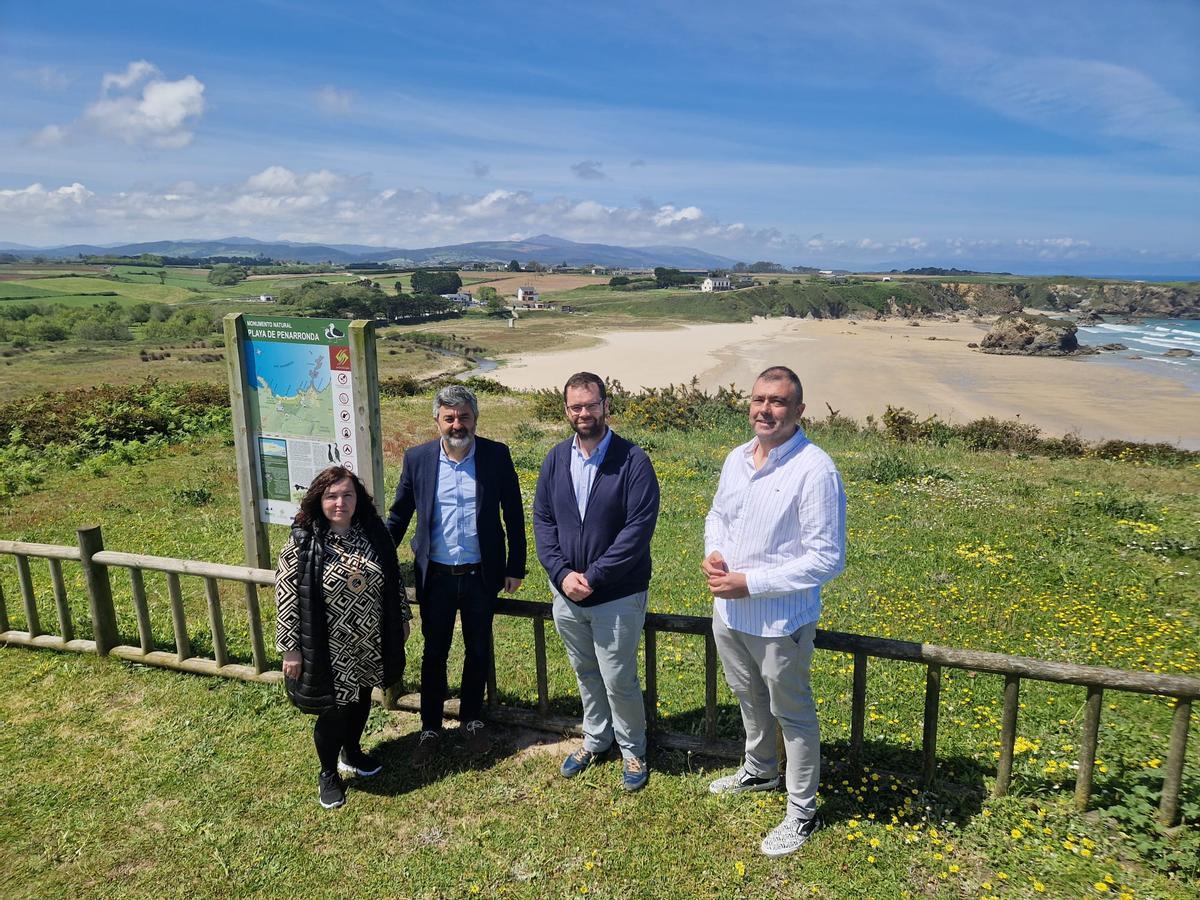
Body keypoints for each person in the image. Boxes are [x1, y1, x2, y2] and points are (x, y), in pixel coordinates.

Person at [702, 365, 846, 857]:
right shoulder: (736, 458)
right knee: (749, 699)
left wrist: (751, 583)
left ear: (799, 411)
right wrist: (716, 553)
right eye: (760, 399)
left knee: (793, 714)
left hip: (781, 621)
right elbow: (718, 515)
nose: (766, 409)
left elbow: (827, 558)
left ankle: (801, 809)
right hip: (730, 615)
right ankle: (760, 770)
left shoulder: (815, 468)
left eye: (778, 402)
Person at [533, 372, 660, 791]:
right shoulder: (555, 458)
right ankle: (596, 738)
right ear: (566, 410)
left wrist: (594, 576)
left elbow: (638, 529)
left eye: (590, 404)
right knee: (586, 671)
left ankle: (633, 749)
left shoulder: (633, 460)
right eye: (575, 406)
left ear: (606, 405)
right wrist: (561, 574)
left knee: (618, 675)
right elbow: (544, 521)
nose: (583, 413)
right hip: (567, 593)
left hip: (617, 594)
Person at [386, 384, 526, 764]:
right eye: (449, 418)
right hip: (438, 576)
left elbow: (513, 513)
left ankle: (472, 721)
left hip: (482, 574)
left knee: (478, 648)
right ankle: (430, 727)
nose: (457, 424)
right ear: (437, 421)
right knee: (435, 652)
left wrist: (515, 566)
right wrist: (378, 555)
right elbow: (400, 514)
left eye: (464, 417)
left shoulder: (496, 456)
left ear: (475, 419)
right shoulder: (418, 459)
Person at [276, 466, 411, 810]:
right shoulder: (304, 539)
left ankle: (352, 752)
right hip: (327, 643)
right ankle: (328, 773)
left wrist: (402, 618)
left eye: (347, 495)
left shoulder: (372, 532)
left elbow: (393, 578)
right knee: (333, 709)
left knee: (364, 694)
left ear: (358, 499)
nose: (340, 503)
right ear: (318, 499)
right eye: (332, 496)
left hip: (369, 637)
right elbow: (288, 594)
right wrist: (290, 647)